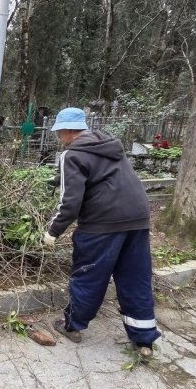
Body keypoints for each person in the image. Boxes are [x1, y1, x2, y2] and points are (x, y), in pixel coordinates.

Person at [43, 107, 161, 358]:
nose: (58, 137)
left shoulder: (71, 154)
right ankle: (144, 341)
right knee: (135, 277)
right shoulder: (109, 146)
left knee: (89, 276)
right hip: (138, 219)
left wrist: (53, 230)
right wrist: (59, 179)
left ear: (67, 131)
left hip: (102, 223)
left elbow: (70, 203)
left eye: (59, 132)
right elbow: (104, 177)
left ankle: (72, 326)